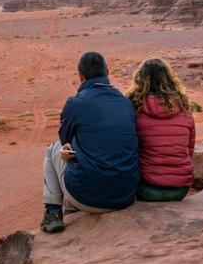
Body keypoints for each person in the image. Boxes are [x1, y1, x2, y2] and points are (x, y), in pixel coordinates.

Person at [41, 51, 138, 234]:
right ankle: (70, 208)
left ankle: (53, 212)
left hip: (88, 198)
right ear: (107, 72)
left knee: (54, 149)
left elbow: (66, 141)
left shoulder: (75, 104)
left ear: (81, 76)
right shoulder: (125, 103)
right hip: (124, 196)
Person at [127, 58, 195, 202]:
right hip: (180, 189)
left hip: (147, 189)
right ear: (169, 78)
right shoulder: (183, 108)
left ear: (140, 79)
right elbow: (189, 149)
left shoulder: (133, 108)